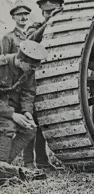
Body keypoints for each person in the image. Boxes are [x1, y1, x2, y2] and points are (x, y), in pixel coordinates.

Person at [20, 0, 64, 171]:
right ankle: (29, 163)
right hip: (33, 82)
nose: (50, 15)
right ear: (42, 13)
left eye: (54, 12)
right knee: (31, 123)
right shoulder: (36, 26)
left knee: (44, 123)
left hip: (50, 82)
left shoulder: (63, 28)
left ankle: (43, 161)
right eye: (47, 12)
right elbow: (30, 41)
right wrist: (48, 23)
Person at [0, 40, 49, 182]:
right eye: (31, 66)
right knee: (7, 126)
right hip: (4, 111)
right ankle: (3, 170)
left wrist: (27, 112)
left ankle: (4, 165)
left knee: (29, 130)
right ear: (20, 60)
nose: (33, 70)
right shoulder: (2, 65)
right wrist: (12, 115)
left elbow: (28, 93)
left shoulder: (28, 70)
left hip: (10, 110)